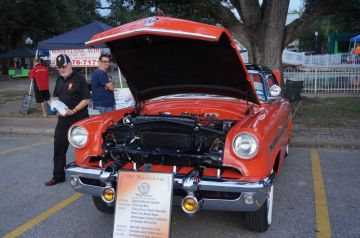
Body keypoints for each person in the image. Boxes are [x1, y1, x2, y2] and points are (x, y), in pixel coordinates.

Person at [45, 54, 91, 186]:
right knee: (59, 146)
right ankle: (58, 175)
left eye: (63, 66)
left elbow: (86, 99)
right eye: (59, 67)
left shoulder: (79, 78)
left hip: (79, 118)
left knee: (84, 148)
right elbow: (57, 97)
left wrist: (74, 110)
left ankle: (88, 175)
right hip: (63, 119)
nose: (61, 69)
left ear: (70, 64)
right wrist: (55, 106)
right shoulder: (59, 79)